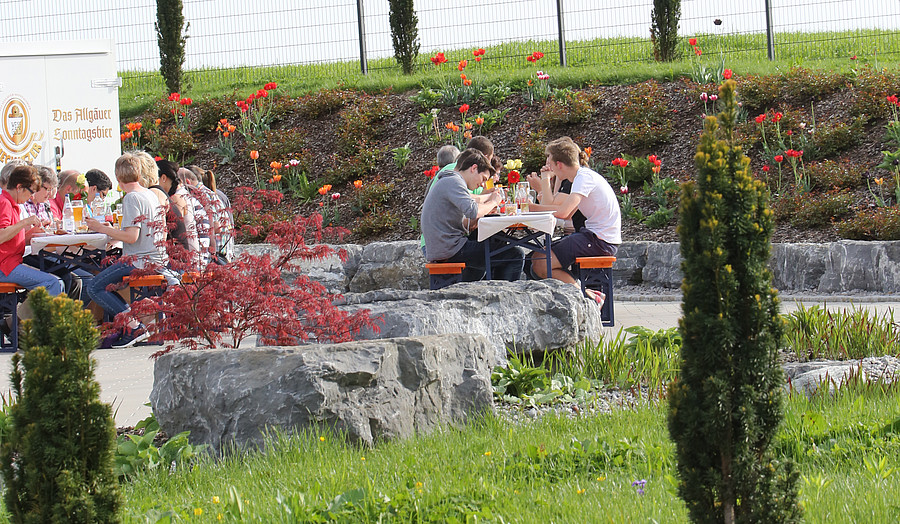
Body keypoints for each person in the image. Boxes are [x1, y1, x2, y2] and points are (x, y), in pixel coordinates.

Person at [86, 152, 174, 348]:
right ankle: (132, 324)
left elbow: (131, 237)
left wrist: (101, 228)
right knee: (108, 282)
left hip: (139, 260)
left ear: (118, 176)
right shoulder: (150, 194)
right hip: (157, 257)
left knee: (94, 286)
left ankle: (133, 326)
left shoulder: (131, 198)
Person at [526, 137, 621, 305]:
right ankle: (585, 294)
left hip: (600, 240)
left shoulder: (583, 178)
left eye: (550, 162)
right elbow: (566, 211)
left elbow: (564, 213)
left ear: (559, 164)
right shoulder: (581, 177)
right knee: (538, 257)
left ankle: (587, 298)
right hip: (593, 236)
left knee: (541, 263)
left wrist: (531, 208)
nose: (549, 167)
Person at [421, 149, 523, 282]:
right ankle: (500, 292)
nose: (482, 184)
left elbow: (472, 200)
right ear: (474, 168)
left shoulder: (449, 180)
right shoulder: (453, 181)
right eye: (483, 178)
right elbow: (473, 211)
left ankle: (492, 286)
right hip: (450, 249)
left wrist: (489, 198)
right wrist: (493, 202)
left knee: (495, 239)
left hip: (445, 246)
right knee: (515, 255)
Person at [0, 165, 64, 298]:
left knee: (58, 282)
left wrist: (35, 233)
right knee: (52, 283)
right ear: (19, 187)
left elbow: (11, 241)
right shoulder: (5, 203)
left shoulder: (12, 204)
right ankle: (42, 312)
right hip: (5, 267)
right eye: (31, 191)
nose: (31, 196)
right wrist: (25, 222)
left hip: (10, 265)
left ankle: (33, 311)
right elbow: (1, 235)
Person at [199, 167, 234, 263]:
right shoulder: (220, 195)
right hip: (226, 254)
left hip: (217, 255)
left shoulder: (205, 197)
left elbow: (217, 227)